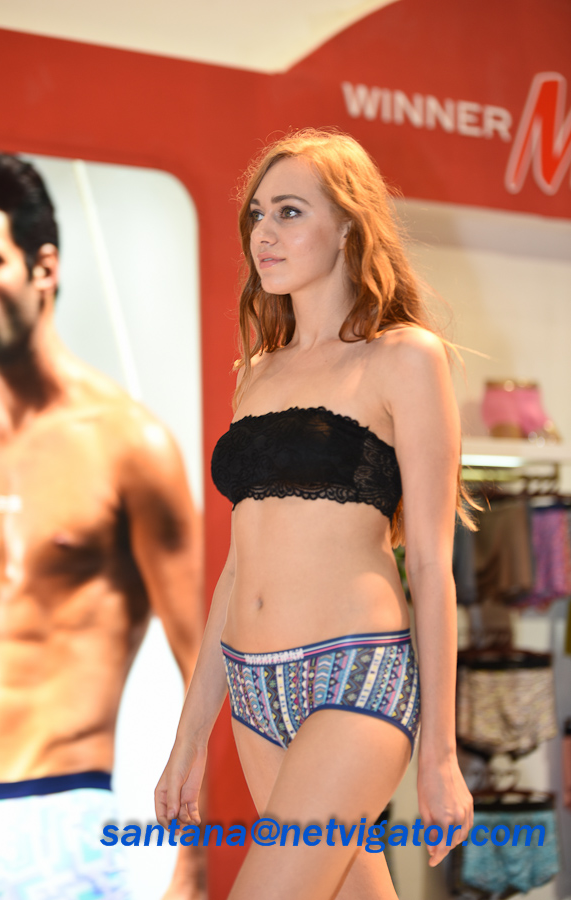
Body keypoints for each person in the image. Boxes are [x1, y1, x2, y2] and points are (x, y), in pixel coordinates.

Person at [155, 129, 474, 899]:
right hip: (252, 689)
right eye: (257, 214)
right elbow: (238, 569)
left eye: (289, 211)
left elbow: (431, 566)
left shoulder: (404, 357)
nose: (263, 232)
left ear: (348, 226)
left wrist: (439, 753)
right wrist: (188, 737)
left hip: (355, 678)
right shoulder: (256, 375)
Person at [0, 151, 205, 900]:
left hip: (56, 820)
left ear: (44, 267)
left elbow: (206, 665)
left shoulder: (129, 445)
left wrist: (193, 863)